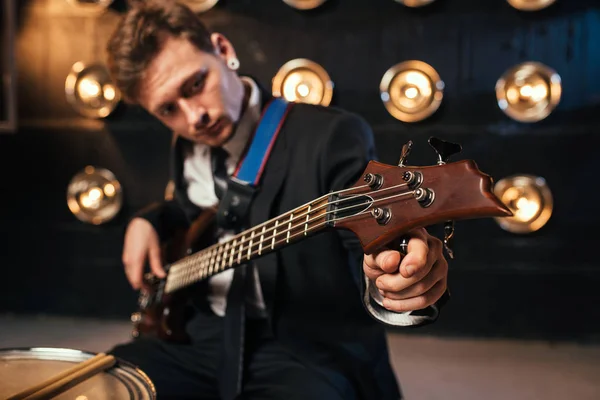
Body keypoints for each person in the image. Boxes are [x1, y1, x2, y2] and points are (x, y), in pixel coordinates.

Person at [106, 2, 450, 399]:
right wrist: (148, 219)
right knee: (101, 386)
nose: (194, 117)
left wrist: (392, 270)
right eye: (168, 109)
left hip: (304, 347)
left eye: (195, 85)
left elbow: (367, 236)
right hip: (200, 335)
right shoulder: (185, 148)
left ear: (223, 50)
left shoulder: (331, 136)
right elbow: (196, 215)